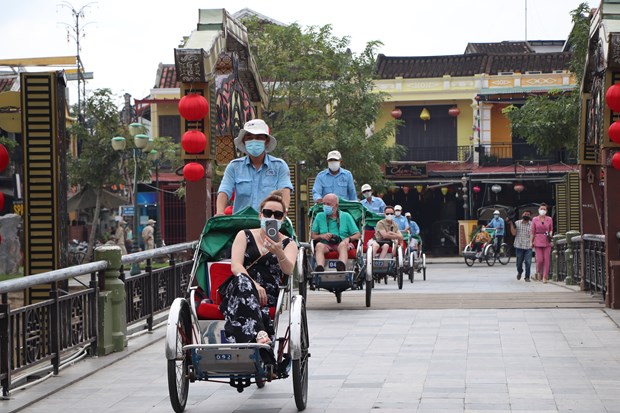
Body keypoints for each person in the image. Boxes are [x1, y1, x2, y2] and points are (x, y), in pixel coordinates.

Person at [220, 190, 298, 347]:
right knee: (242, 281)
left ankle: (253, 341)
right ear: (260, 215)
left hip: (268, 292)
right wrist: (254, 285)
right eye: (268, 213)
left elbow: (288, 270)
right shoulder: (244, 235)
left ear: (283, 218)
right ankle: (260, 333)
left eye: (277, 215)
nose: (272, 218)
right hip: (240, 287)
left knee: (246, 287)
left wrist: (278, 251)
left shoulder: (288, 243)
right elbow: (236, 266)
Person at [217, 119, 293, 215]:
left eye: (258, 137)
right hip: (241, 222)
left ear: (266, 141)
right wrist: (219, 212)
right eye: (249, 137)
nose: (254, 141)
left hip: (270, 220)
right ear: (244, 141)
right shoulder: (234, 167)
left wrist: (283, 213)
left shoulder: (279, 166)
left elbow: (285, 191)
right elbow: (224, 190)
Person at [311, 193, 361, 272]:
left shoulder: (346, 216)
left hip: (342, 243)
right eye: (324, 204)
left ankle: (341, 266)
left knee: (343, 245)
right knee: (319, 246)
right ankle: (320, 268)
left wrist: (348, 239)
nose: (325, 206)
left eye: (328, 204)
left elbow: (358, 234)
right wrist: (322, 236)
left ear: (336, 205)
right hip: (326, 244)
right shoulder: (319, 216)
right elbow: (313, 236)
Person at [507, 210, 533, 282]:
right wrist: (511, 224)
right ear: (522, 215)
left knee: (528, 262)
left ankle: (527, 277)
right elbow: (513, 233)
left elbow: (533, 234)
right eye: (525, 214)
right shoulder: (517, 223)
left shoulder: (532, 224)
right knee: (519, 262)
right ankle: (520, 271)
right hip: (519, 245)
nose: (526, 215)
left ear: (530, 216)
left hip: (528, 246)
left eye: (528, 214)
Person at [531, 203, 553, 283]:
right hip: (537, 239)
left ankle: (545, 276)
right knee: (540, 259)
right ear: (538, 210)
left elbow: (551, 229)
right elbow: (532, 232)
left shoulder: (549, 219)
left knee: (546, 259)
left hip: (546, 240)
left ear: (546, 211)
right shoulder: (534, 219)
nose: (542, 210)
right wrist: (531, 241)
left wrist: (550, 233)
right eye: (541, 209)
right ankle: (539, 271)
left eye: (544, 209)